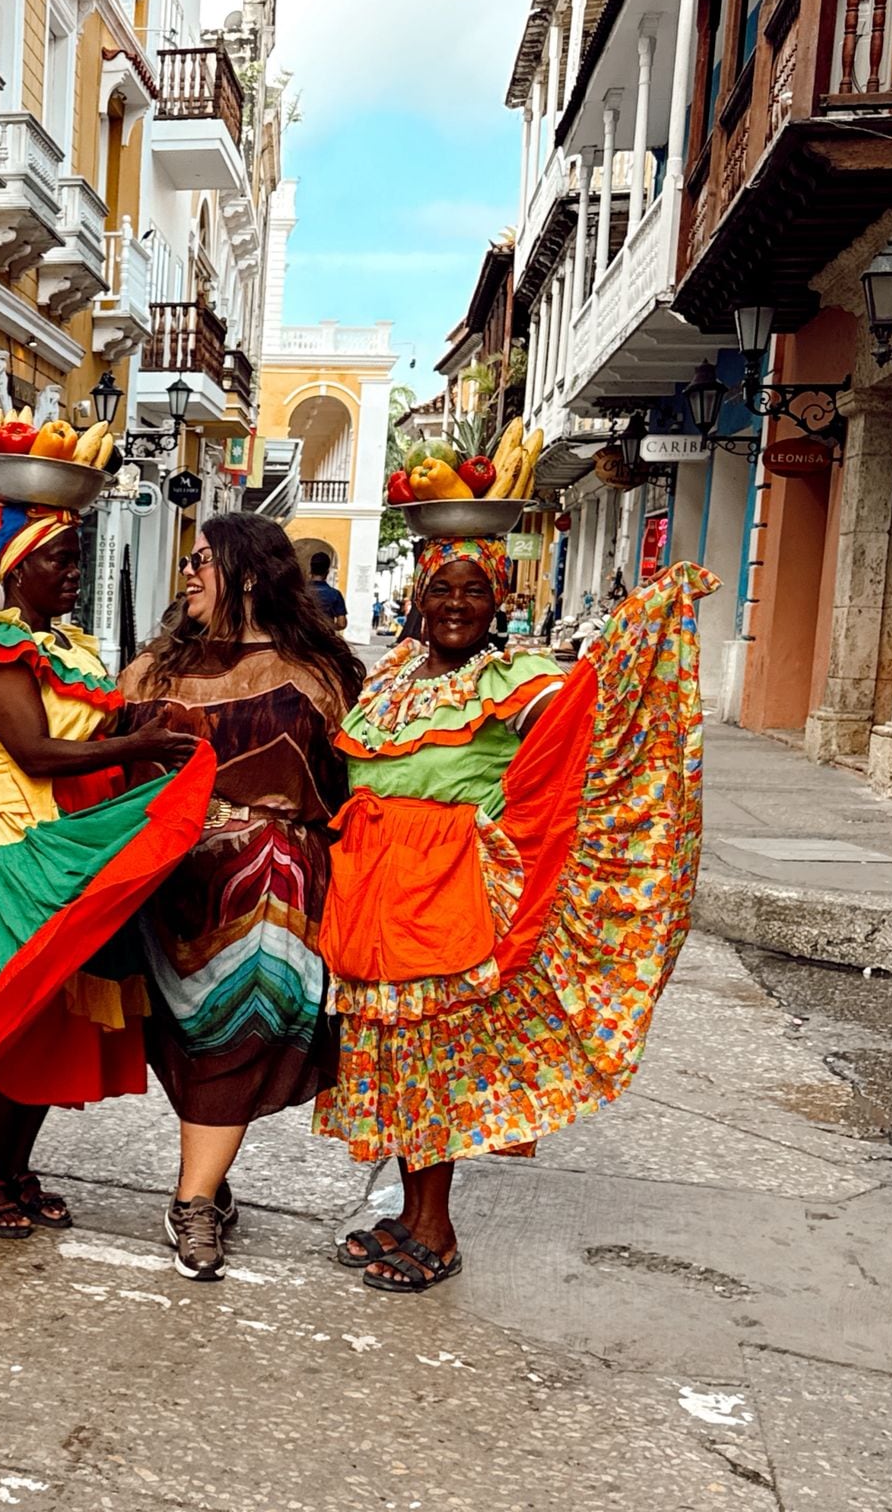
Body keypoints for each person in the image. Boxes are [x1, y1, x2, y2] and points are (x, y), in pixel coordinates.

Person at [314, 536, 713, 1293]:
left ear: (499, 601)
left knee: (436, 1061)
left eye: (474, 591)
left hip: (449, 890)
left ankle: (436, 1227)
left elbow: (575, 737)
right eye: (442, 589)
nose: (456, 605)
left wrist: (631, 646)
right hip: (373, 889)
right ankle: (407, 1212)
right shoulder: (397, 674)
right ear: (417, 600)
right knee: (398, 1061)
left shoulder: (517, 674)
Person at [0, 500, 208, 1239]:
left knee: (54, 1016)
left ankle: (15, 1167)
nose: (74, 574)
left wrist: (148, 730)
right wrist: (138, 745)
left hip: (76, 846)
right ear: (18, 568)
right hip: (15, 849)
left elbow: (95, 728)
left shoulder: (65, 646)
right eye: (60, 560)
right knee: (14, 1017)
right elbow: (36, 753)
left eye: (76, 559)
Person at [119, 513, 363, 1281]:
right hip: (164, 883)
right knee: (186, 1048)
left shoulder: (316, 672)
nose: (187, 574)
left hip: (271, 883)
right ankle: (210, 1179)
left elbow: (352, 781)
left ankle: (191, 1204)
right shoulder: (154, 668)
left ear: (249, 573)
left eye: (201, 562)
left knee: (239, 1036)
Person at [307, 550, 348, 632]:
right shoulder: (335, 594)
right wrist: (328, 626)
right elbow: (341, 623)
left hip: (302, 640)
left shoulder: (300, 592)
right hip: (325, 640)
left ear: (310, 571)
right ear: (327, 572)